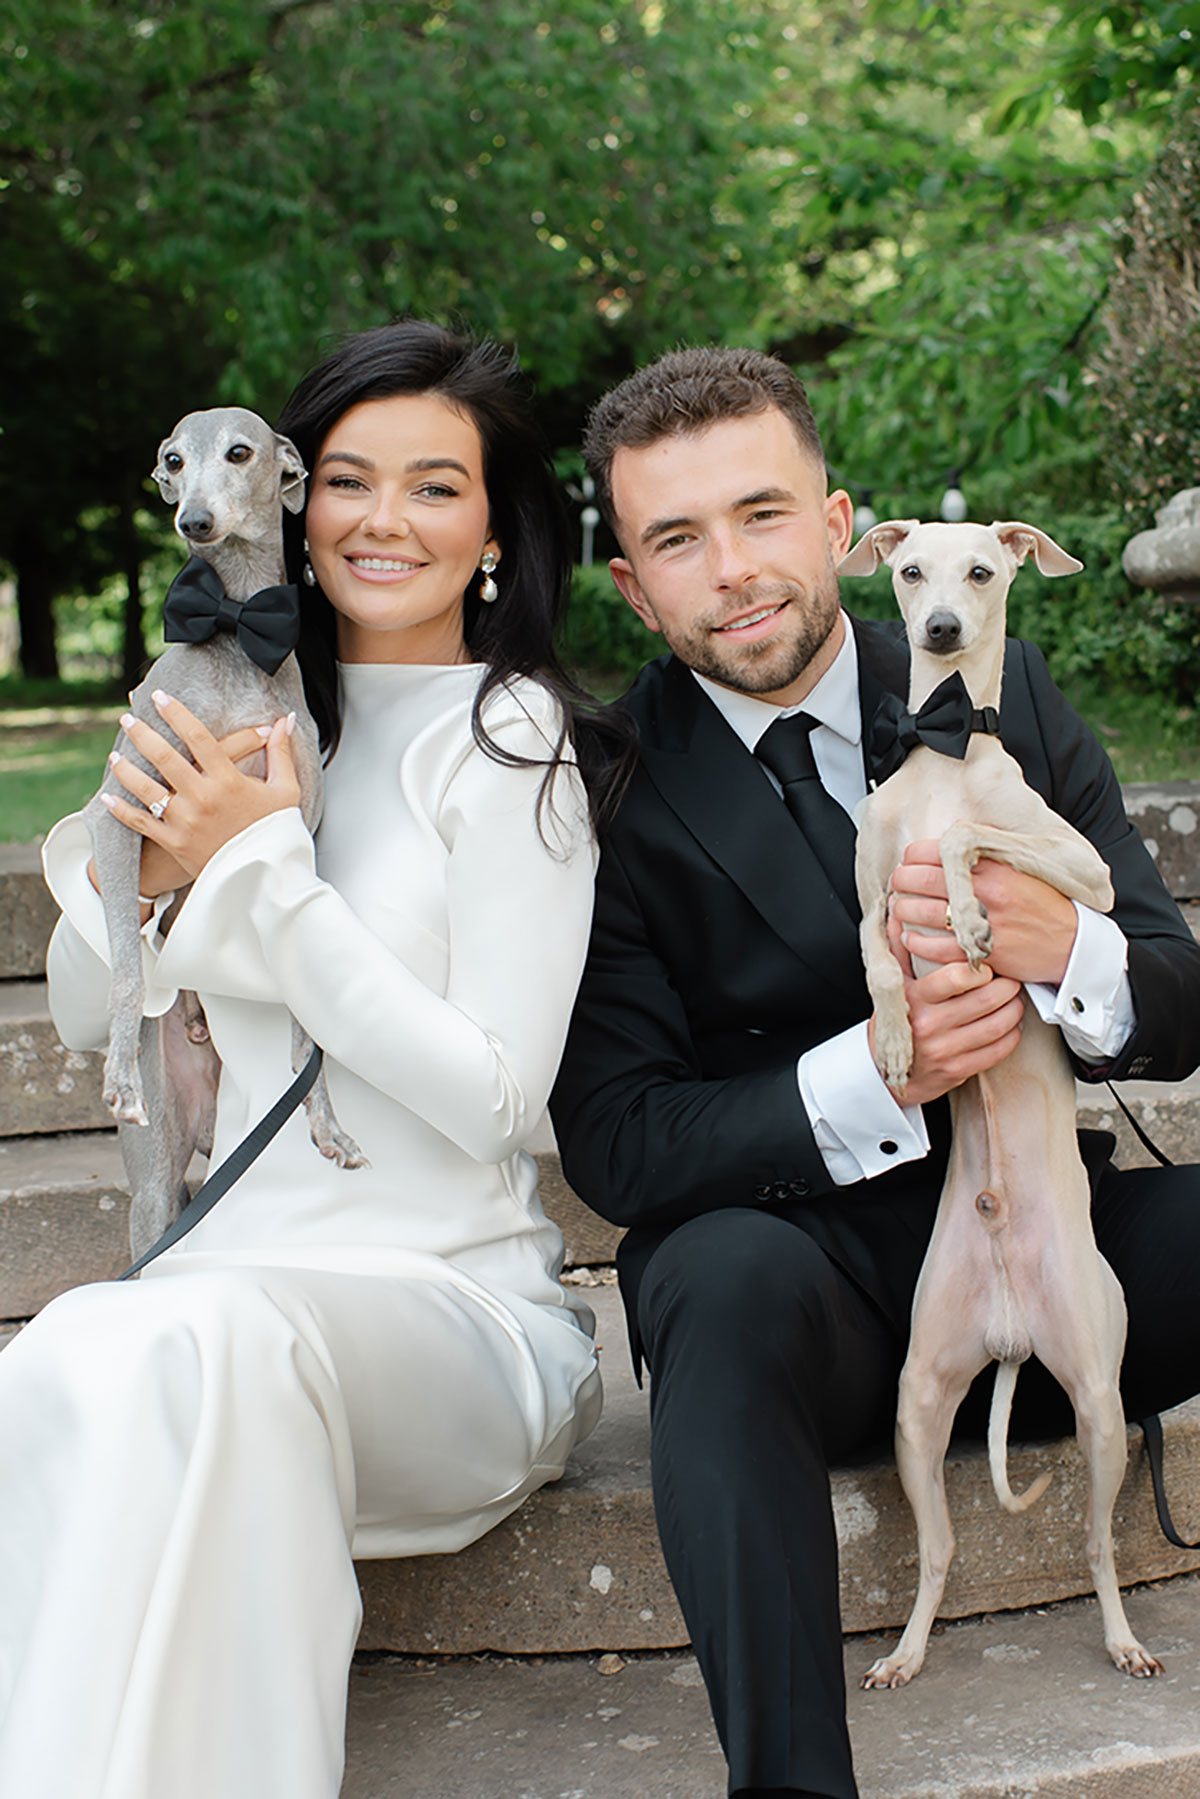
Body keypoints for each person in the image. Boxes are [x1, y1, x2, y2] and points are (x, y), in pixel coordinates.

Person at [550, 345, 1200, 1799]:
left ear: (843, 525)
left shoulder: (1006, 684)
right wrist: (873, 1078)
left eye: (763, 514)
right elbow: (616, 1140)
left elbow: (1175, 990)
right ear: (632, 590)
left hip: (1061, 1251)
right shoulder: (601, 783)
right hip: (816, 1308)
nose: (733, 569)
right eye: (676, 540)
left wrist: (1066, 945)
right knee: (709, 1282)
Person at [0, 320, 627, 1799]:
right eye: (350, 479)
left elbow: (501, 1098)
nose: (380, 519)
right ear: (293, 496)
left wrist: (262, 873)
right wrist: (145, 876)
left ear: (489, 530)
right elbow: (98, 1016)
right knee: (81, 1348)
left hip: (447, 1310)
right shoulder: (243, 709)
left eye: (433, 487)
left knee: (192, 1342)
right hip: (219, 1301)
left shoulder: (513, 736)